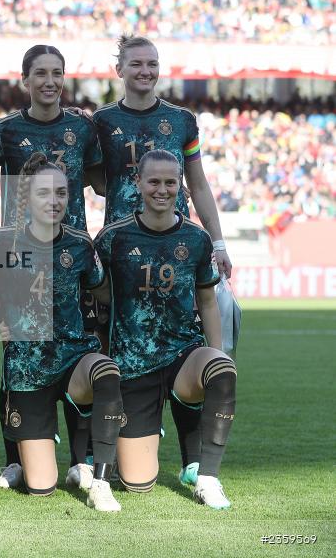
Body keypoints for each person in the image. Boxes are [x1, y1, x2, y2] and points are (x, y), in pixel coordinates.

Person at [92, 35, 233, 486]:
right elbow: (93, 179)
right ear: (120, 69)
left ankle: (195, 458)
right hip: (121, 249)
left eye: (152, 63)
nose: (145, 71)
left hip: (176, 242)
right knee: (117, 342)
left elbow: (200, 182)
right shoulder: (102, 122)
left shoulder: (181, 120)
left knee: (187, 337)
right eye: (136, 64)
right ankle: (101, 453)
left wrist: (219, 240)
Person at [0, 44, 105, 491]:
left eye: (58, 73)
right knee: (20, 354)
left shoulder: (82, 127)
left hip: (72, 256)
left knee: (78, 348)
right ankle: (16, 458)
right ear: (25, 79)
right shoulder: (5, 130)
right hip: (21, 258)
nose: (50, 81)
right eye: (41, 74)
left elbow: (103, 181)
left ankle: (83, 458)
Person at [94, 149, 237, 510]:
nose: (162, 189)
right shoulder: (113, 238)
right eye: (154, 181)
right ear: (138, 183)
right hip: (133, 365)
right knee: (136, 483)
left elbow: (206, 302)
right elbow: (98, 295)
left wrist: (216, 350)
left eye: (170, 182)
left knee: (222, 370)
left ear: (180, 187)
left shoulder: (196, 239)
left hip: (182, 355)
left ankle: (208, 478)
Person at [0, 155, 122, 511]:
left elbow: (104, 292)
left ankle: (101, 481)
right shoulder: (1, 243)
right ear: (27, 197)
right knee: (41, 486)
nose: (54, 200)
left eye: (61, 193)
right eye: (44, 193)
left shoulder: (80, 244)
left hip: (73, 360)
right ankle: (20, 461)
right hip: (28, 371)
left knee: (105, 370)